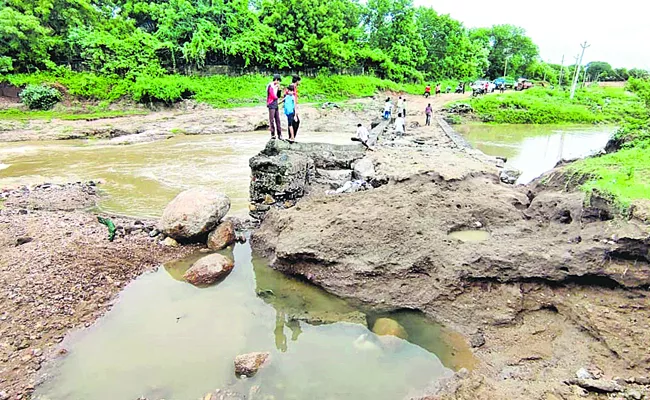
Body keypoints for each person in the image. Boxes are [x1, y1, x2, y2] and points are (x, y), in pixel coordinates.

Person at [266, 74, 282, 139]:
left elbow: (278, 96)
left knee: (278, 119)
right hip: (271, 103)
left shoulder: (276, 86)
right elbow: (272, 95)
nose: (278, 82)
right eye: (278, 81)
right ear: (275, 80)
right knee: (272, 120)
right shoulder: (270, 86)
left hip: (275, 103)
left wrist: (279, 89)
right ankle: (273, 134)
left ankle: (279, 134)